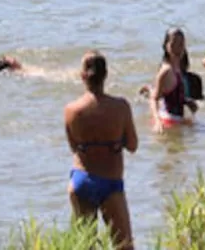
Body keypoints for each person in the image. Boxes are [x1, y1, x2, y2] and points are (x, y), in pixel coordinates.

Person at [64, 51, 137, 250]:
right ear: (106, 75)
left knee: (85, 246)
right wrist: (114, 141)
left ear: (82, 76)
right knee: (124, 246)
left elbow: (73, 147)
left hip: (81, 180)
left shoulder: (71, 110)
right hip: (111, 182)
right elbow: (132, 145)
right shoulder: (121, 107)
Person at [147, 29, 197, 129]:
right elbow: (154, 99)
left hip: (177, 119)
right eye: (174, 43)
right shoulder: (166, 71)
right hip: (168, 121)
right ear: (166, 46)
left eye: (181, 43)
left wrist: (185, 101)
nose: (178, 48)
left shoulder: (178, 67)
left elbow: (170, 93)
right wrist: (157, 122)